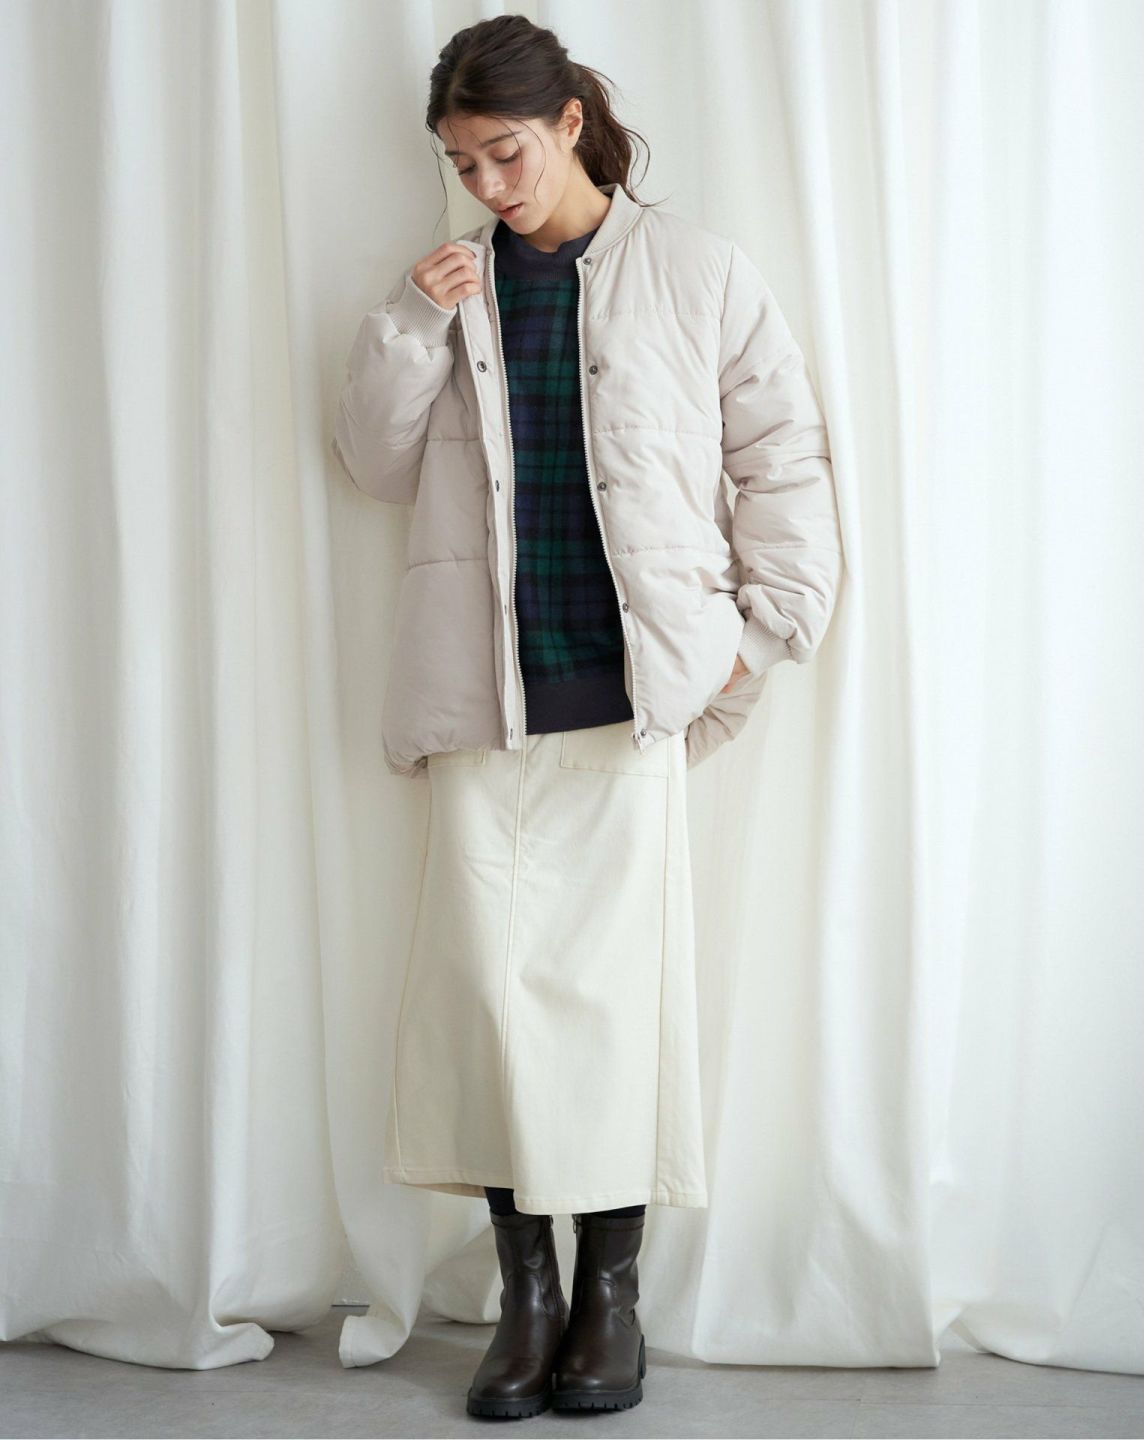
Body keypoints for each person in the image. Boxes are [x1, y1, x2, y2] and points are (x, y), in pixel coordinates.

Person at [331, 13, 843, 1421]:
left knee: (614, 1009)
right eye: (462, 164)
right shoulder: (451, 286)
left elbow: (781, 455)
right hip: (481, 696)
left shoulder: (698, 271)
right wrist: (408, 320)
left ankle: (610, 1295)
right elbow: (371, 460)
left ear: (569, 122)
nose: (488, 187)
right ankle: (528, 1298)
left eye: (506, 153)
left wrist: (760, 631)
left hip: (630, 695)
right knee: (488, 1007)